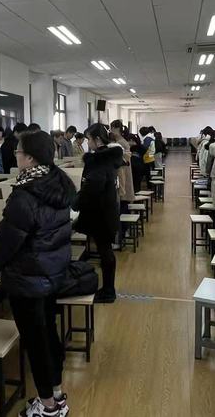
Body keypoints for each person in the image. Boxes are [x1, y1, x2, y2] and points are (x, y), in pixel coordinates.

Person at [0, 131, 76, 417]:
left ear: (29, 158)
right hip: (50, 275)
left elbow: (7, 240)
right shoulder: (57, 183)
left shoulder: (25, 194)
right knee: (48, 336)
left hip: (28, 280)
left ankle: (48, 407)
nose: (15, 155)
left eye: (18, 152)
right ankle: (57, 394)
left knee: (36, 344)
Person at [73, 123, 122, 303]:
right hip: (107, 210)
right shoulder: (108, 158)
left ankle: (108, 291)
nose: (87, 142)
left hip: (100, 213)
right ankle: (108, 288)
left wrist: (76, 202)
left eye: (89, 139)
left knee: (105, 251)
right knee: (105, 250)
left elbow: (92, 187)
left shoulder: (98, 161)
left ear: (98, 139)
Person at [110, 120, 136, 232]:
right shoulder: (122, 141)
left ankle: (122, 232)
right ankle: (124, 230)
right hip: (125, 176)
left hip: (123, 176)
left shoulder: (119, 144)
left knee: (123, 206)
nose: (110, 131)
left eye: (111, 128)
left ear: (116, 129)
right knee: (124, 205)